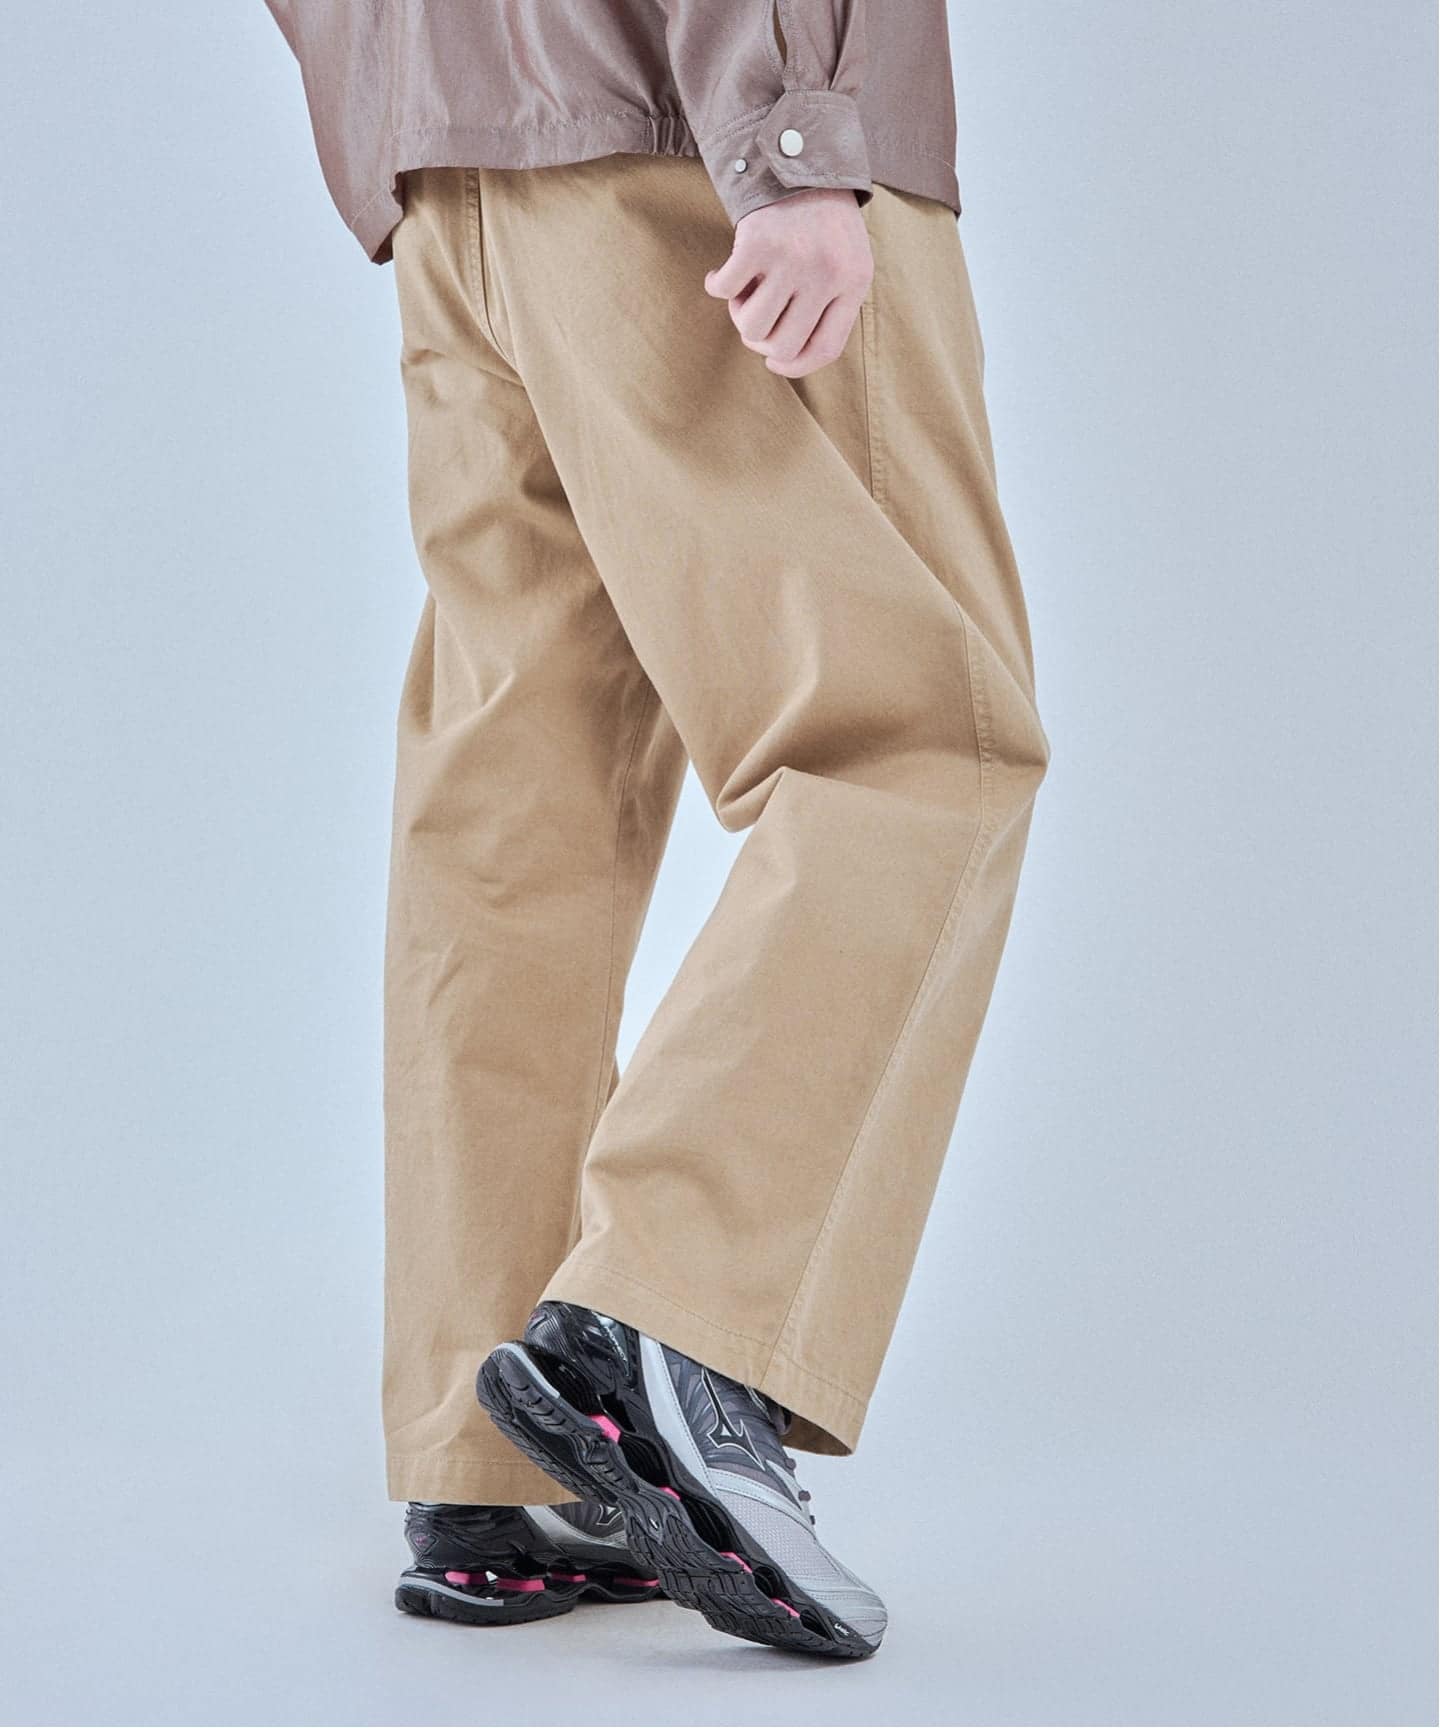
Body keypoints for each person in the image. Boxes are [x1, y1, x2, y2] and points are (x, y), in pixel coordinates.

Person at [263, 0, 1049, 1660]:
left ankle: (490, 1462)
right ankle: (665, 1320)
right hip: (687, 138)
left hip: (455, 180)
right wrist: (793, 133)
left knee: (517, 817)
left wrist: (399, 114)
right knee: (916, 740)